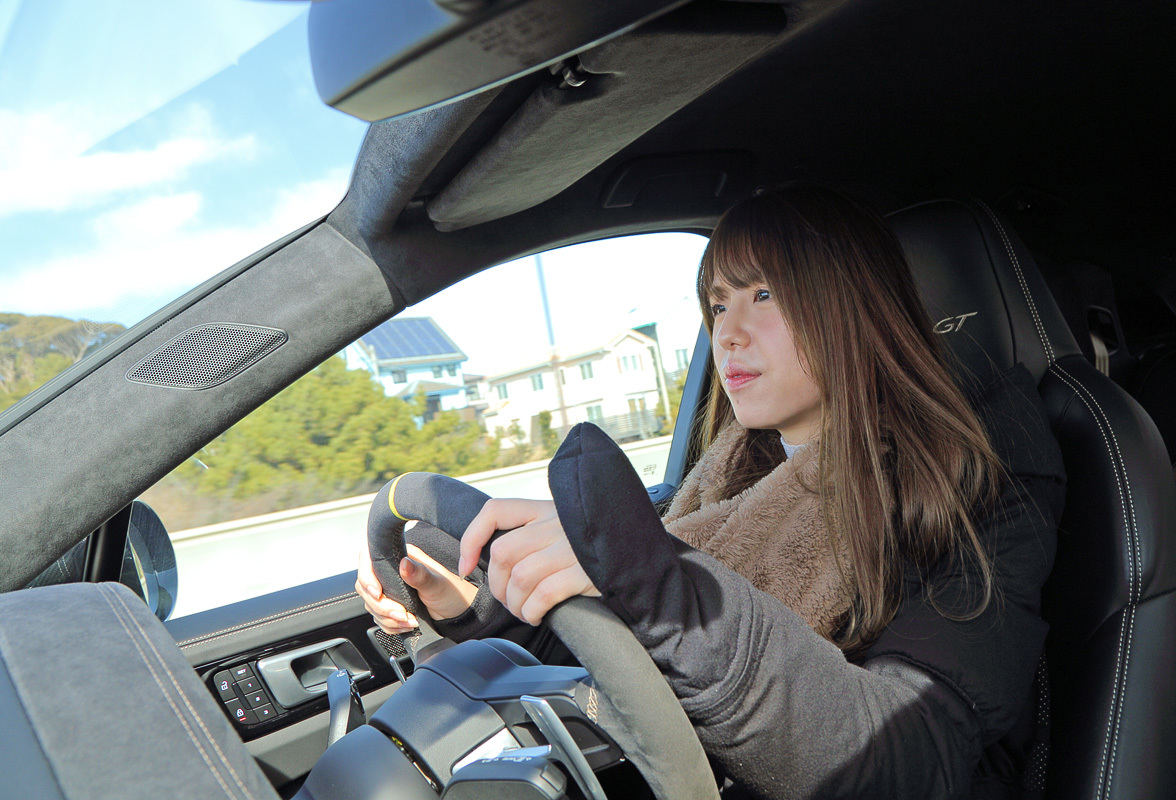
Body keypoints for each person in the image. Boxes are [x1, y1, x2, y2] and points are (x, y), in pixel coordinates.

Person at [356, 185, 1066, 799]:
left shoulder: (975, 478)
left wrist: (661, 583)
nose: (729, 332)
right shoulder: (723, 480)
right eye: (718, 304)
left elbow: (912, 757)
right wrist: (471, 604)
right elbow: (617, 651)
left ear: (856, 304)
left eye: (766, 294)